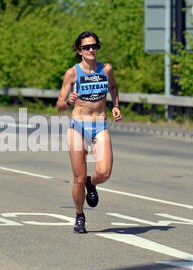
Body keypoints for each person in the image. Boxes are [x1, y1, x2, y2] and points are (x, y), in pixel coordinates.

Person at [57, 31, 122, 233]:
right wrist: (69, 101)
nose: (91, 50)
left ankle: (91, 183)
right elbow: (59, 105)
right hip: (78, 126)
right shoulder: (72, 73)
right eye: (86, 47)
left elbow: (113, 87)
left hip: (100, 125)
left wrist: (116, 105)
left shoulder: (107, 69)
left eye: (94, 46)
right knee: (77, 179)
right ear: (79, 50)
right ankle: (79, 215)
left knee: (104, 172)